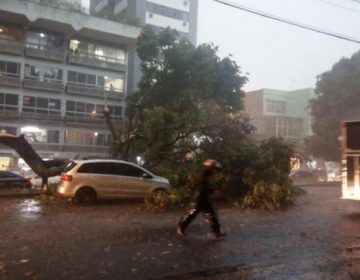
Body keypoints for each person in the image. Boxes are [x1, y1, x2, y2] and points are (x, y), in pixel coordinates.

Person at [177, 159, 225, 239]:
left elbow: (205, 186)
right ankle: (181, 227)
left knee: (211, 215)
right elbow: (201, 187)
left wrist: (211, 191)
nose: (215, 170)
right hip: (199, 198)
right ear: (209, 167)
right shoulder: (203, 174)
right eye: (214, 168)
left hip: (204, 197)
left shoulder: (208, 174)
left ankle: (217, 233)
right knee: (193, 214)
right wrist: (212, 191)